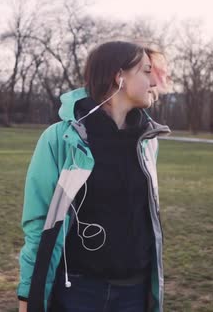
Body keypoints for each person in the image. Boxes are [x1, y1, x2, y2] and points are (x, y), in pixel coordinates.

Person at [17, 40, 171, 312]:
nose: (155, 82)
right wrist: (28, 295)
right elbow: (37, 224)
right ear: (119, 76)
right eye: (146, 71)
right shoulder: (60, 139)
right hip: (78, 291)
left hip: (135, 292)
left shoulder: (148, 140)